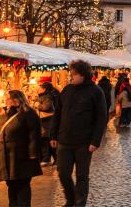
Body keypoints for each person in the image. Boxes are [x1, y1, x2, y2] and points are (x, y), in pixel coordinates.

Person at [50, 59, 109, 207]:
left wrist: (95, 141)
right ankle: (71, 200)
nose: (71, 77)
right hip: (64, 140)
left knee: (82, 176)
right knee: (63, 173)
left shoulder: (96, 91)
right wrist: (53, 134)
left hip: (84, 142)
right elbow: (57, 113)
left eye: (74, 75)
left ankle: (80, 203)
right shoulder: (67, 90)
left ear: (83, 75)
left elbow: (101, 117)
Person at [0, 90, 43, 207]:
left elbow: (34, 135)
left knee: (22, 187)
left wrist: (33, 154)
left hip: (22, 158)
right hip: (6, 159)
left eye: (8, 98)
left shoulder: (29, 114)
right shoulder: (4, 114)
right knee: (11, 187)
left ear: (16, 100)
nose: (5, 100)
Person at [35, 78, 60, 166]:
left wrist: (38, 105)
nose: (38, 88)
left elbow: (46, 107)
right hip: (48, 120)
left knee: (47, 139)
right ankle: (52, 159)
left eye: (40, 87)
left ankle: (49, 159)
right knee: (48, 139)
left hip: (47, 120)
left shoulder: (47, 96)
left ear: (44, 89)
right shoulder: (49, 94)